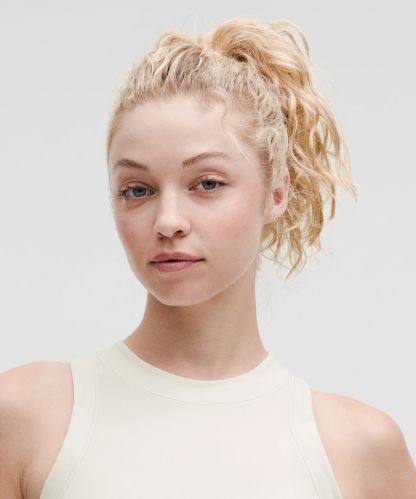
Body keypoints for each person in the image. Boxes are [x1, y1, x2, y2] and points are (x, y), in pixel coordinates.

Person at [1, 17, 415, 499]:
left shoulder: (360, 452)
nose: (167, 221)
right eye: (137, 190)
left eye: (207, 184)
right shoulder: (27, 417)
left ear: (276, 193)